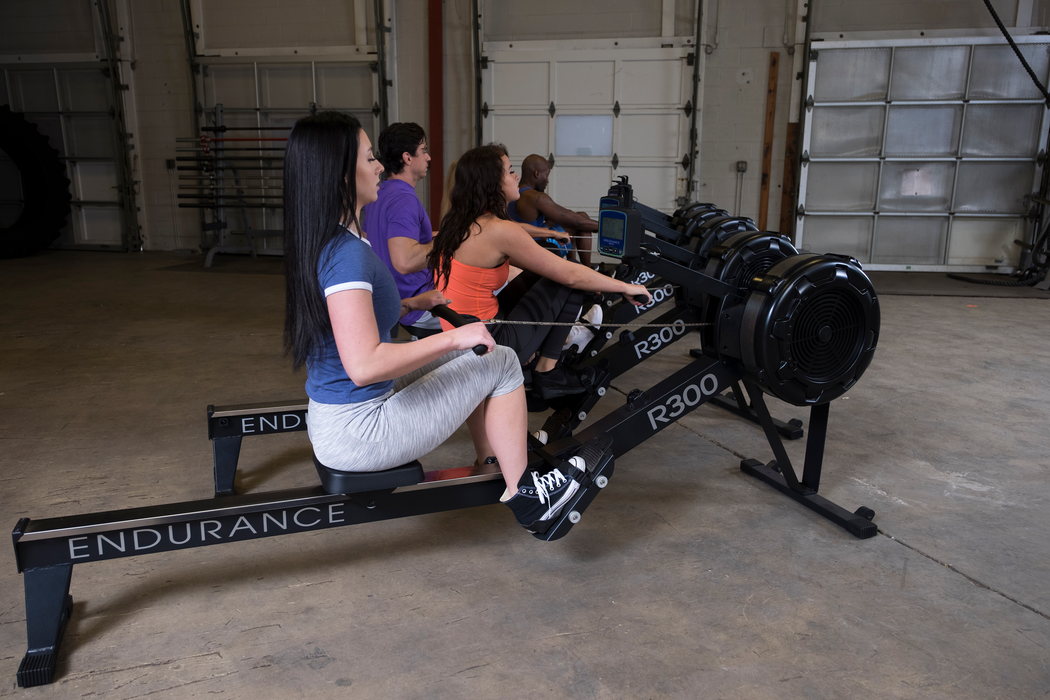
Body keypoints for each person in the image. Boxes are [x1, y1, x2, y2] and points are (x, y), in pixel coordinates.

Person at [282, 113, 605, 533]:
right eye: (368, 159)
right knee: (501, 360)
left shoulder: (331, 238)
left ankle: (496, 458)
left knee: (481, 355)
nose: (379, 165)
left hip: (344, 415)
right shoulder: (345, 255)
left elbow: (349, 320)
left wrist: (413, 302)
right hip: (360, 431)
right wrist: (453, 340)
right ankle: (531, 498)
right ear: (342, 175)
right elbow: (364, 364)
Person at [429, 144, 652, 401]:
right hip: (489, 343)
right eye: (510, 171)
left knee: (552, 272)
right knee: (569, 278)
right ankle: (548, 371)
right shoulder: (498, 230)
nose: (515, 177)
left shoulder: (461, 222)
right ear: (492, 183)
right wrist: (625, 287)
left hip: (466, 333)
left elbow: (543, 266)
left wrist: (594, 280)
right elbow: (569, 274)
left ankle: (541, 351)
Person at [360, 122, 442, 339]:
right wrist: (448, 241)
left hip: (391, 298)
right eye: (423, 151)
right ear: (407, 158)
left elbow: (370, 241)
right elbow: (404, 261)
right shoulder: (404, 199)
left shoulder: (380, 192)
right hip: (416, 305)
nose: (428, 157)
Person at [508, 153, 600, 266]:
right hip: (535, 249)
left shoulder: (514, 193)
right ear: (537, 174)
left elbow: (563, 216)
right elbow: (577, 221)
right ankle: (587, 270)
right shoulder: (535, 197)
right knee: (581, 222)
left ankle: (573, 264)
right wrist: (606, 228)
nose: (547, 181)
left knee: (578, 217)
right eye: (546, 175)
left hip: (519, 245)